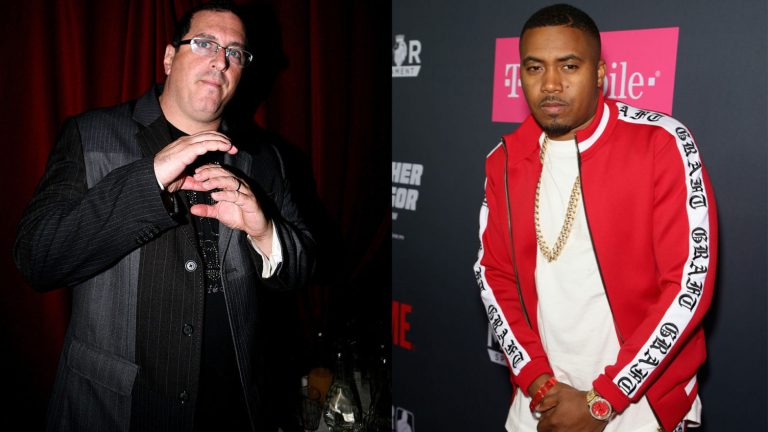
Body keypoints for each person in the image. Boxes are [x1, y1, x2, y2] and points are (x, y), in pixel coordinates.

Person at [13, 1, 314, 431]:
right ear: (170, 58)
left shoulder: (265, 157)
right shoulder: (91, 134)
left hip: (235, 409)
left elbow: (302, 268)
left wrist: (266, 232)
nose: (220, 60)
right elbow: (38, 259)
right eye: (205, 43)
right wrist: (149, 179)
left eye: (235, 52)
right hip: (116, 411)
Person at [474, 4, 717, 432]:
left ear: (600, 72)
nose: (551, 84)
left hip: (641, 406)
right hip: (541, 403)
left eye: (569, 66)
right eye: (534, 68)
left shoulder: (660, 143)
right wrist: (535, 379)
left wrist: (604, 400)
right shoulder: (504, 160)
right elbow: (494, 274)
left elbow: (688, 284)